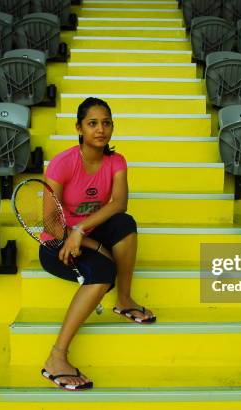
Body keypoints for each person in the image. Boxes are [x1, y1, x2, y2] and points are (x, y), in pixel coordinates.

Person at [39, 97, 156, 391]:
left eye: (106, 123)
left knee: (125, 223)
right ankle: (57, 357)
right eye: (92, 123)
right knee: (103, 271)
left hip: (83, 231)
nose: (100, 130)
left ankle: (124, 300)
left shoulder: (116, 161)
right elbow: (51, 222)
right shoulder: (62, 164)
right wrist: (83, 239)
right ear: (79, 128)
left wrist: (82, 229)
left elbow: (119, 203)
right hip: (58, 242)